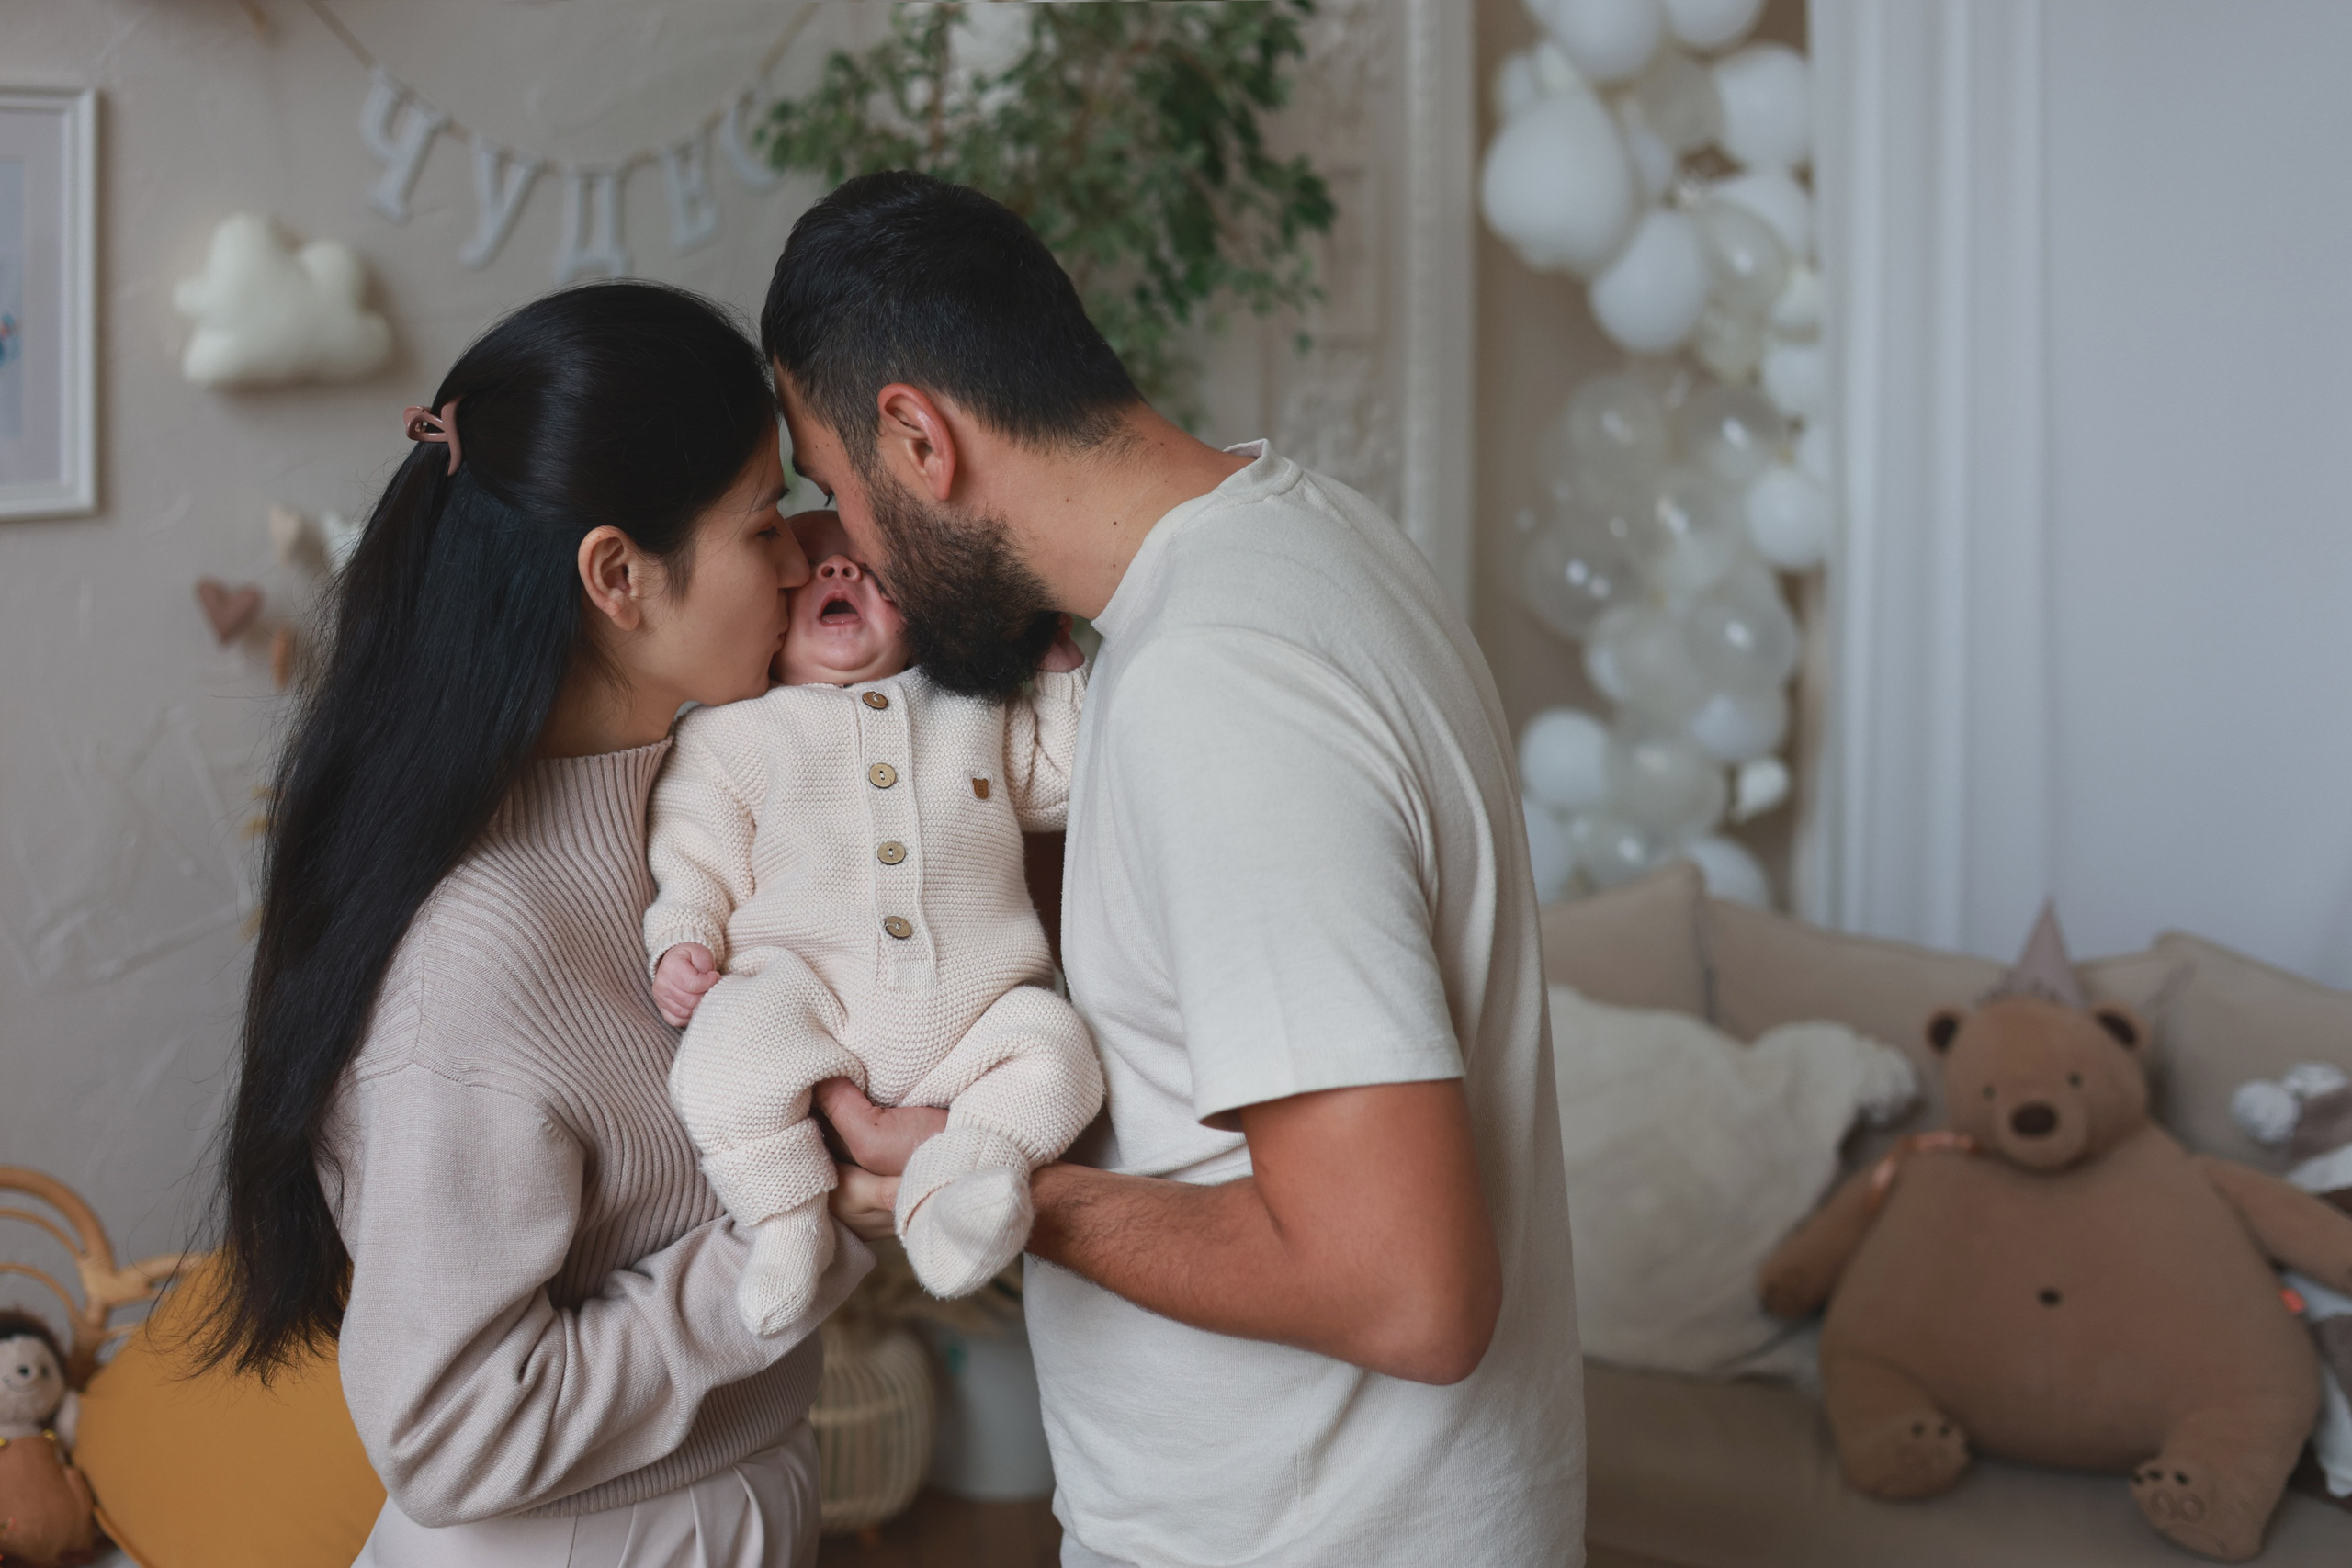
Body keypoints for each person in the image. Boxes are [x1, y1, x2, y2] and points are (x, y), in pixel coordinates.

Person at [766, 171, 1585, 1566]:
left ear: (917, 433)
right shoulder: (1303, 543)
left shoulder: (1221, 684)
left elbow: (1409, 1292)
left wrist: (973, 1184)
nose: (842, 550)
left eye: (835, 489)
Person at [208, 282, 867, 1566]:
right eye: (756, 522)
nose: (796, 552)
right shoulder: (473, 955)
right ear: (619, 575)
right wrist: (805, 1223)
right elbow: (446, 1429)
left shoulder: (680, 826)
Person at [643, 509, 1102, 1335]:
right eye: (814, 568)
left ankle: (969, 1172)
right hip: (810, 997)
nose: (842, 575)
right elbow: (695, 855)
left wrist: (1061, 671)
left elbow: (1062, 786)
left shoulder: (971, 703)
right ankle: (785, 1223)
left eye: (872, 571)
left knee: (1061, 1050)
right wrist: (683, 940)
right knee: (723, 1053)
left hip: (979, 1009)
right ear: (765, 626)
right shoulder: (727, 733)